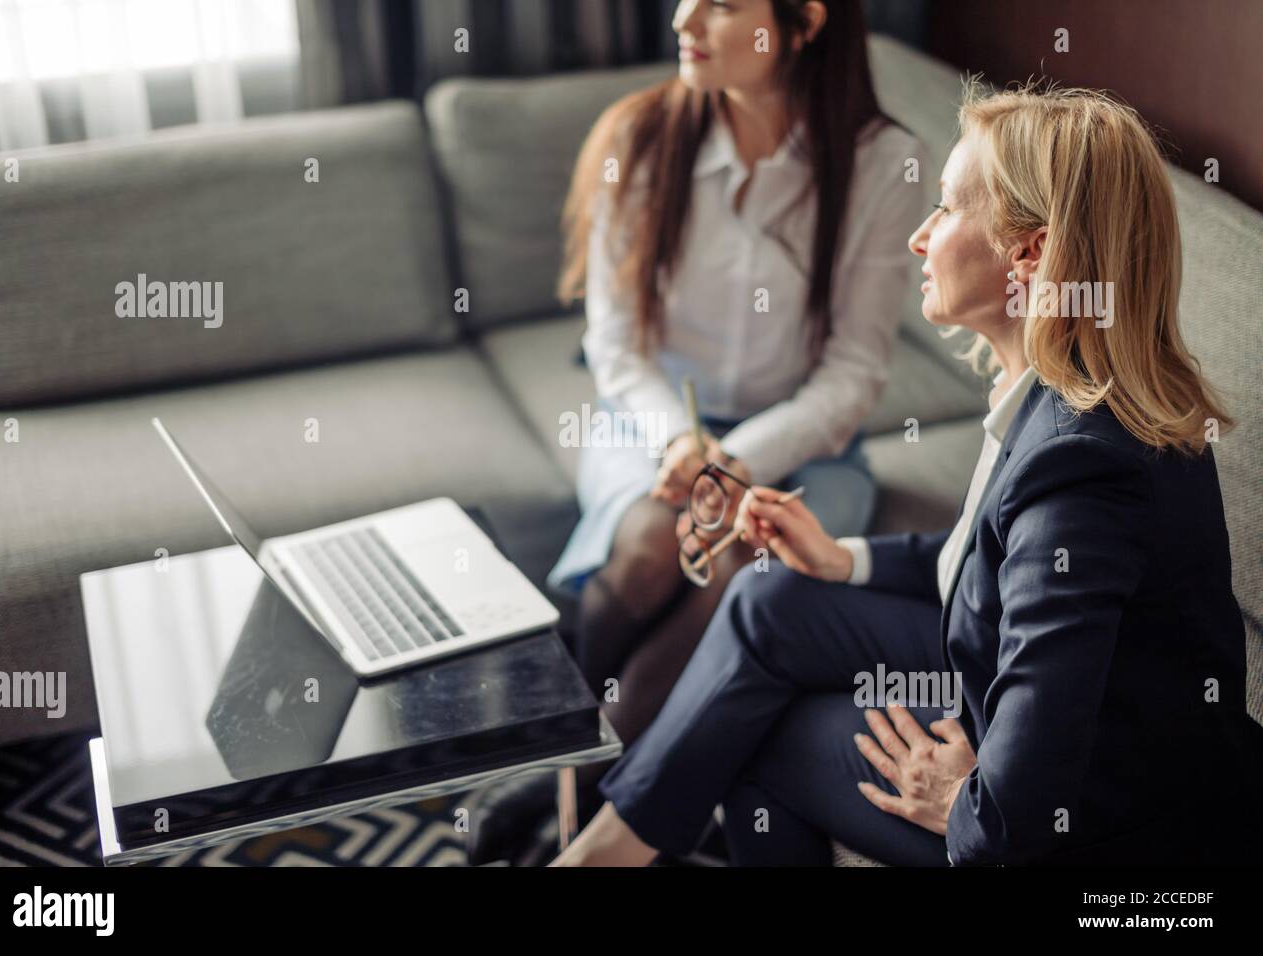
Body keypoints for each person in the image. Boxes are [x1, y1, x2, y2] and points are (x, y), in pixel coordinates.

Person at [552, 83, 1263, 866]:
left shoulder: (1081, 469)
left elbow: (1017, 814)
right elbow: (989, 564)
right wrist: (843, 558)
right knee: (769, 595)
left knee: (756, 729)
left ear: (1029, 252)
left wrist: (964, 798)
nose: (921, 238)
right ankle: (604, 844)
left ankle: (599, 852)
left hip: (1106, 839)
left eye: (950, 209)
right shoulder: (1055, 393)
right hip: (1029, 692)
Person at [467, 1, 922, 863]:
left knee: (740, 560)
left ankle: (584, 790)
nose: (684, 16)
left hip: (799, 439)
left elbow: (854, 373)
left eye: (721, 3)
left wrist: (742, 461)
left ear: (803, 21)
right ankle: (597, 779)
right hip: (652, 426)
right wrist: (681, 447)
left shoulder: (882, 162)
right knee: (648, 540)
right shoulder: (638, 138)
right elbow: (614, 344)